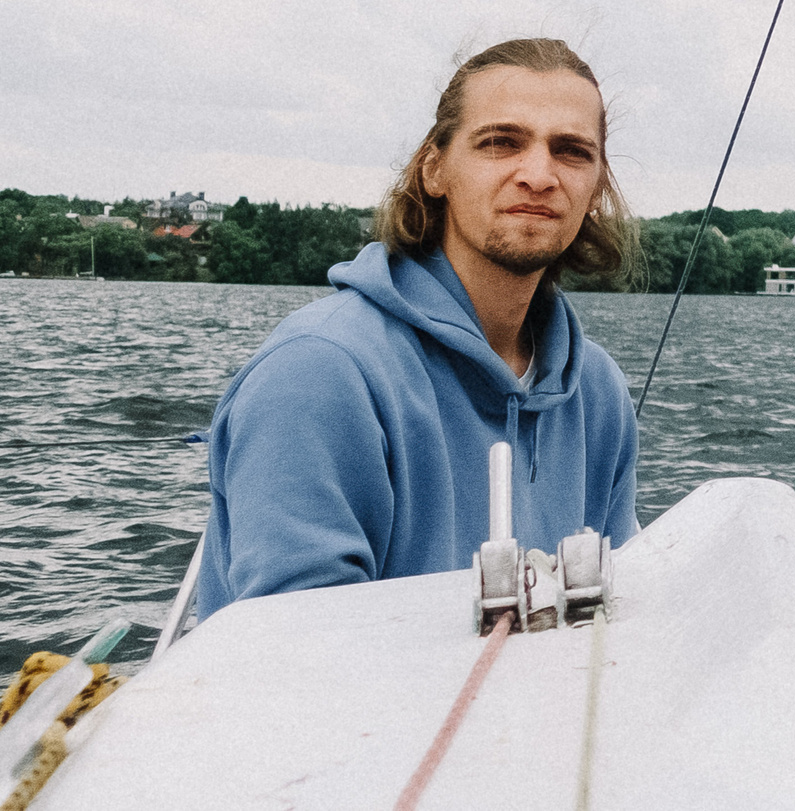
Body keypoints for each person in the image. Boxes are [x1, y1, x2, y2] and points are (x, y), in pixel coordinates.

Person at [195, 38, 642, 616]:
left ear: (597, 185)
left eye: (572, 151)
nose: (538, 174)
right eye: (501, 142)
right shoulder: (319, 374)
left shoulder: (599, 393)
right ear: (435, 169)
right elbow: (296, 663)